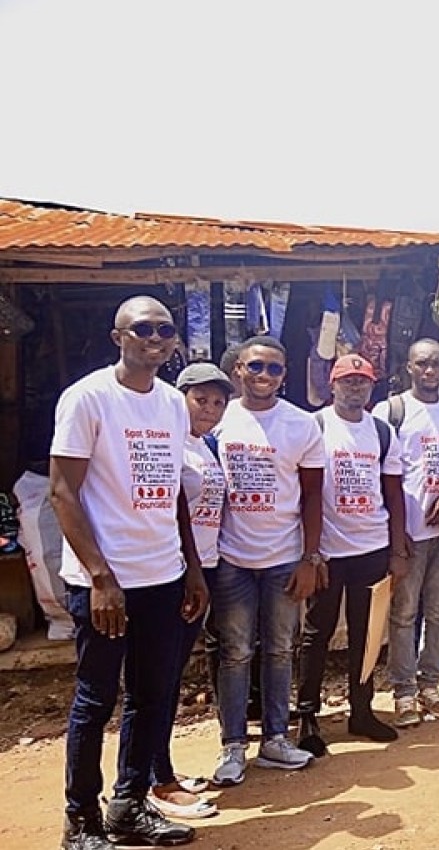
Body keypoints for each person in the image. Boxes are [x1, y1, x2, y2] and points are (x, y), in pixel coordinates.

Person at [52, 297, 207, 849]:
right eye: (143, 328)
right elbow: (62, 492)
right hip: (105, 584)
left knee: (152, 695)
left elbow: (173, 491)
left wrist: (191, 567)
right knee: (96, 701)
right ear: (118, 336)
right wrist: (100, 577)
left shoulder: (172, 404)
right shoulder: (88, 398)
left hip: (162, 576)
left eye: (165, 329)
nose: (155, 338)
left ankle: (129, 807)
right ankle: (81, 821)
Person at [212, 335, 324, 785]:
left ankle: (276, 739)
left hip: (284, 558)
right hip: (231, 557)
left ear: (285, 375)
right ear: (238, 370)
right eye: (255, 366)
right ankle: (233, 746)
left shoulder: (301, 424)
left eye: (274, 369)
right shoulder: (218, 419)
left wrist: (310, 557)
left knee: (279, 649)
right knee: (235, 652)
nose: (264, 375)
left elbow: (313, 496)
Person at [295, 355, 404, 753]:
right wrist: (309, 552)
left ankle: (361, 710)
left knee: (367, 633)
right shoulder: (315, 426)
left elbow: (393, 493)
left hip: (371, 547)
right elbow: (303, 491)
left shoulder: (382, 432)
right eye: (348, 381)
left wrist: (397, 550)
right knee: (317, 632)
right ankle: (308, 716)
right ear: (332, 385)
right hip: (327, 552)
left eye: (363, 381)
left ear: (372, 386)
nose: (355, 387)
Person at [147, 364, 232, 822]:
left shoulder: (205, 445)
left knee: (171, 674)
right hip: (177, 571)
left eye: (218, 402)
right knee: (157, 678)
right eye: (201, 400)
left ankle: (160, 768)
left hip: (206, 568)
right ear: (180, 399)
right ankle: (154, 779)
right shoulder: (170, 445)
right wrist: (191, 569)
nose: (210, 409)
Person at [385, 339, 439, 727]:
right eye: (421, 364)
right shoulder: (392, 411)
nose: (429, 370)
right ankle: (403, 691)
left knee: (438, 610)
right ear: (409, 367)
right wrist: (394, 533)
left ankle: (430, 683)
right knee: (403, 613)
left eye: (436, 363)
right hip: (408, 532)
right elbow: (382, 475)